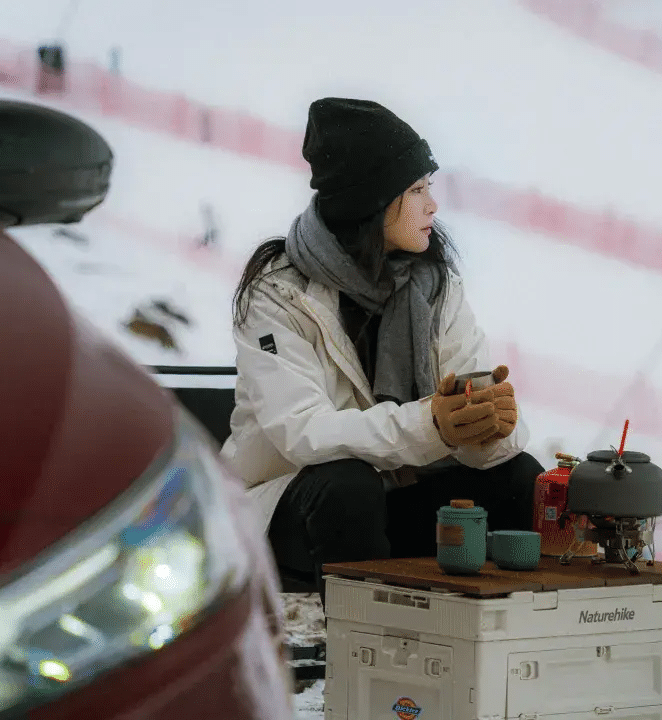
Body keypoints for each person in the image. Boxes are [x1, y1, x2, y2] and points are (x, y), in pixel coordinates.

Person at [221, 98, 544, 600]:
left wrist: (491, 425)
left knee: (519, 475)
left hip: (396, 498)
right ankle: (359, 645)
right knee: (349, 484)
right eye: (416, 190)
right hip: (293, 507)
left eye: (429, 188)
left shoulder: (433, 286)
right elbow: (303, 433)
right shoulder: (279, 293)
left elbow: (471, 398)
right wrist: (434, 423)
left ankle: (506, 638)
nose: (432, 206)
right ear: (369, 201)